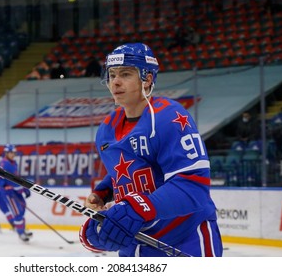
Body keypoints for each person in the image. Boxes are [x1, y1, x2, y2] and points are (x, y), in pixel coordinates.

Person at [79, 43, 223, 257]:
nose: (115, 81)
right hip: (136, 244)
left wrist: (136, 208)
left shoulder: (169, 117)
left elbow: (193, 185)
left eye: (126, 74)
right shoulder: (106, 129)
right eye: (112, 75)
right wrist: (103, 192)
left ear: (147, 79)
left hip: (185, 238)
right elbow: (128, 169)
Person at [0, 144, 32, 241]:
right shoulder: (3, 164)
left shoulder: (14, 163)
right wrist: (5, 186)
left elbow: (16, 178)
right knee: (17, 212)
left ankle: (22, 229)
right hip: (9, 193)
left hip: (17, 192)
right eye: (11, 152)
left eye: (14, 152)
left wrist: (24, 188)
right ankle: (21, 233)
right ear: (6, 153)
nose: (13, 154)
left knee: (23, 207)